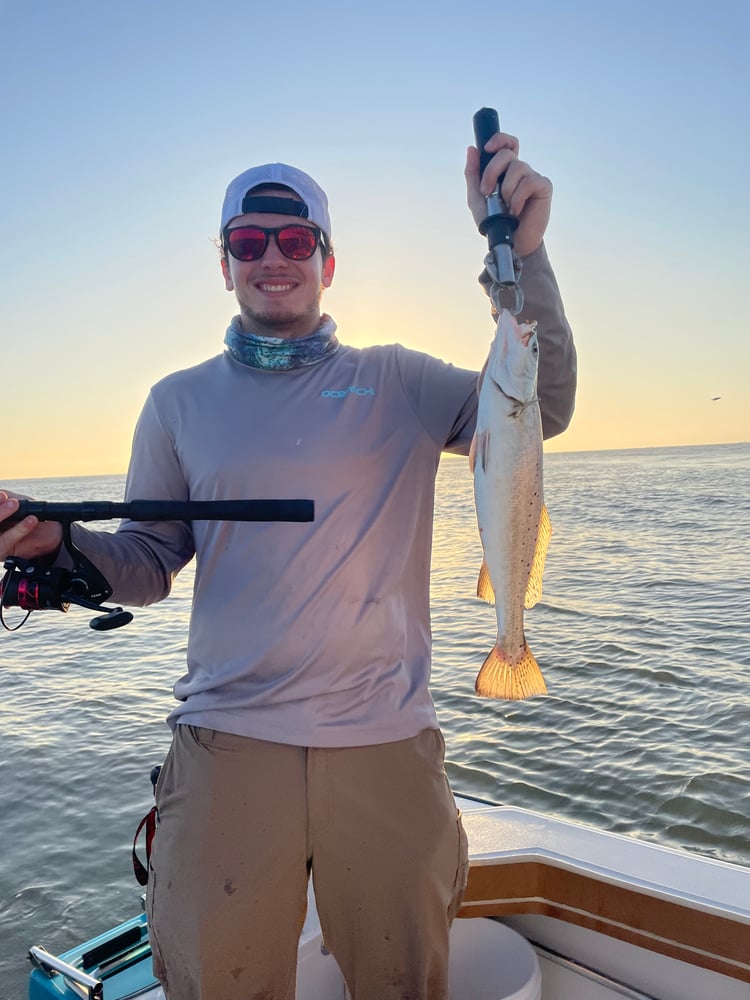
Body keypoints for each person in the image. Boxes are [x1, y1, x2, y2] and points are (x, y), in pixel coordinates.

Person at [0, 128, 576, 999]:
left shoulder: (402, 382)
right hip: (229, 743)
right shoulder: (175, 402)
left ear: (328, 261)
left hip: (386, 742)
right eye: (248, 242)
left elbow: (544, 407)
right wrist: (62, 547)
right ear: (224, 262)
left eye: (297, 240)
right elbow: (150, 563)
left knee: (402, 981)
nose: (274, 258)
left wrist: (521, 258)